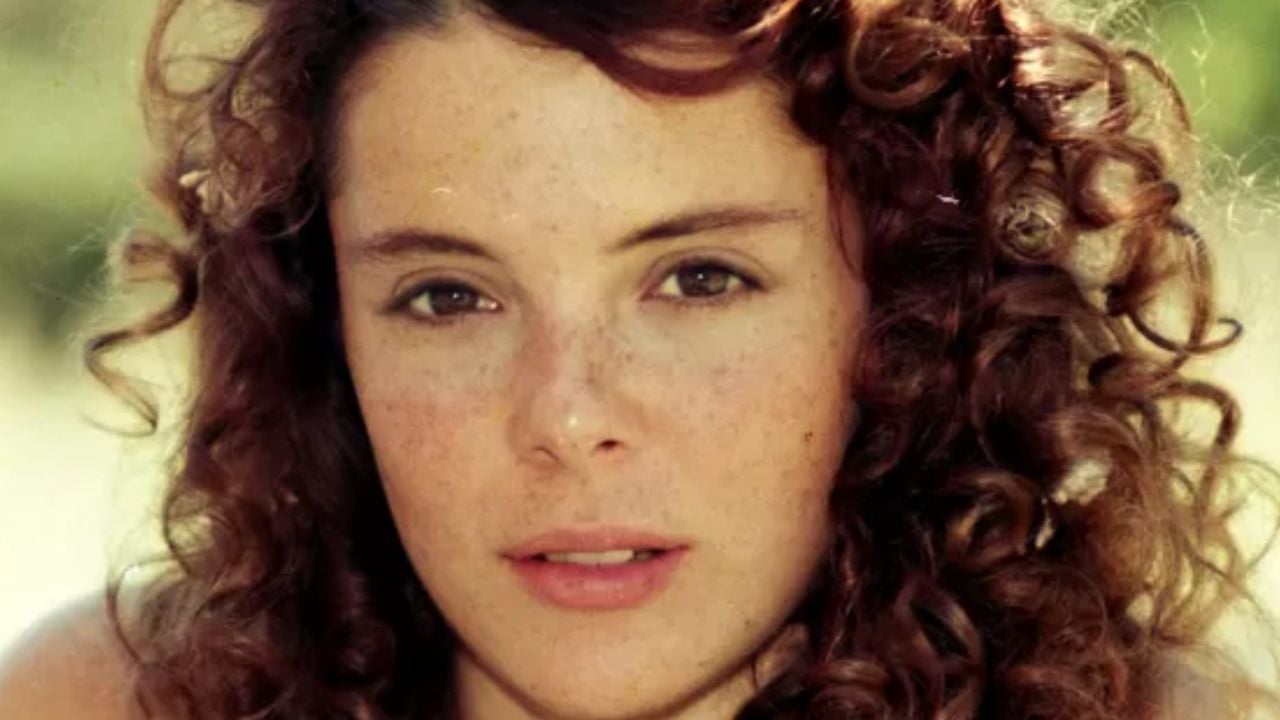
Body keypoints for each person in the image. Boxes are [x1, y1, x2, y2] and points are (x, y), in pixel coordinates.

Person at [1, 0, 1277, 718]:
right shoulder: (104, 703)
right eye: (447, 296)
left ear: (910, 313)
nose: (564, 416)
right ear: (324, 329)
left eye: (699, 279)